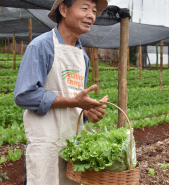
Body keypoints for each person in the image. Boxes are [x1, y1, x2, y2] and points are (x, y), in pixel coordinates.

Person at [14, 0, 108, 184]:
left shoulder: (83, 57)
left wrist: (87, 112)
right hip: (45, 143)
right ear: (64, 9)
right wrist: (74, 103)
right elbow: (24, 95)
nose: (91, 15)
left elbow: (75, 100)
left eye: (94, 11)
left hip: (72, 145)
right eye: (85, 8)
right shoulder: (41, 47)